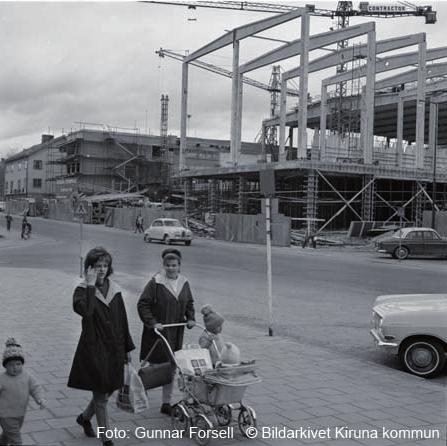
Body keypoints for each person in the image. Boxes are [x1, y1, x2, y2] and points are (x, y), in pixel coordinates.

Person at [68, 247, 135, 446]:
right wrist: (90, 285)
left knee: (108, 390)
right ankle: (106, 438)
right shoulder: (81, 290)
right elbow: (87, 312)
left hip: (114, 347)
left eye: (105, 265)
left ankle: (85, 418)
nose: (102, 270)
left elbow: (122, 319)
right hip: (94, 349)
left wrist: (126, 348)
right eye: (97, 266)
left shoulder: (114, 289)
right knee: (101, 394)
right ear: (89, 268)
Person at [137, 248, 195, 415]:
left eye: (174, 265)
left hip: (175, 332)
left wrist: (190, 318)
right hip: (158, 332)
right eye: (168, 265)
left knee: (171, 366)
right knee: (153, 365)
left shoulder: (184, 282)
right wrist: (153, 323)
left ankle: (166, 403)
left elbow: (189, 303)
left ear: (179, 266)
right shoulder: (156, 282)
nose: (171, 268)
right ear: (163, 266)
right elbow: (143, 304)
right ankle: (138, 391)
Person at [0, 338, 46, 445]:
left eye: (18, 364)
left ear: (22, 364)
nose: (15, 367)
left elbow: (35, 387)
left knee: (8, 435)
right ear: (5, 365)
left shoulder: (27, 377)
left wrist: (40, 398)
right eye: (11, 365)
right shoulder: (2, 379)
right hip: (5, 415)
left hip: (20, 414)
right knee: (16, 440)